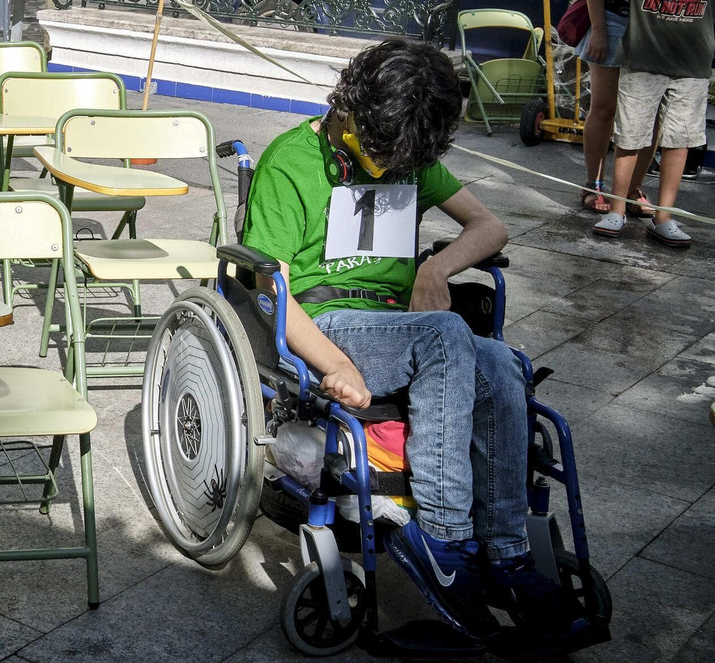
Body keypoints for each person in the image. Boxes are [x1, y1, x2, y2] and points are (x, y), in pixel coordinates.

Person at [242, 39, 583, 642]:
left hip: (406, 328)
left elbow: (489, 225)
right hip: (329, 321)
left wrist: (435, 268)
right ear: (348, 106)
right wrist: (336, 362)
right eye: (378, 150)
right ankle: (444, 540)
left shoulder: (407, 149)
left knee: (502, 362)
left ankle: (505, 554)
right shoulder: (290, 162)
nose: (386, 164)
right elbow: (273, 292)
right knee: (450, 333)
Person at [588, 0, 715, 247]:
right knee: (632, 135)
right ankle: (616, 209)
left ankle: (665, 217)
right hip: (643, 57)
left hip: (693, 61)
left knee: (679, 139)